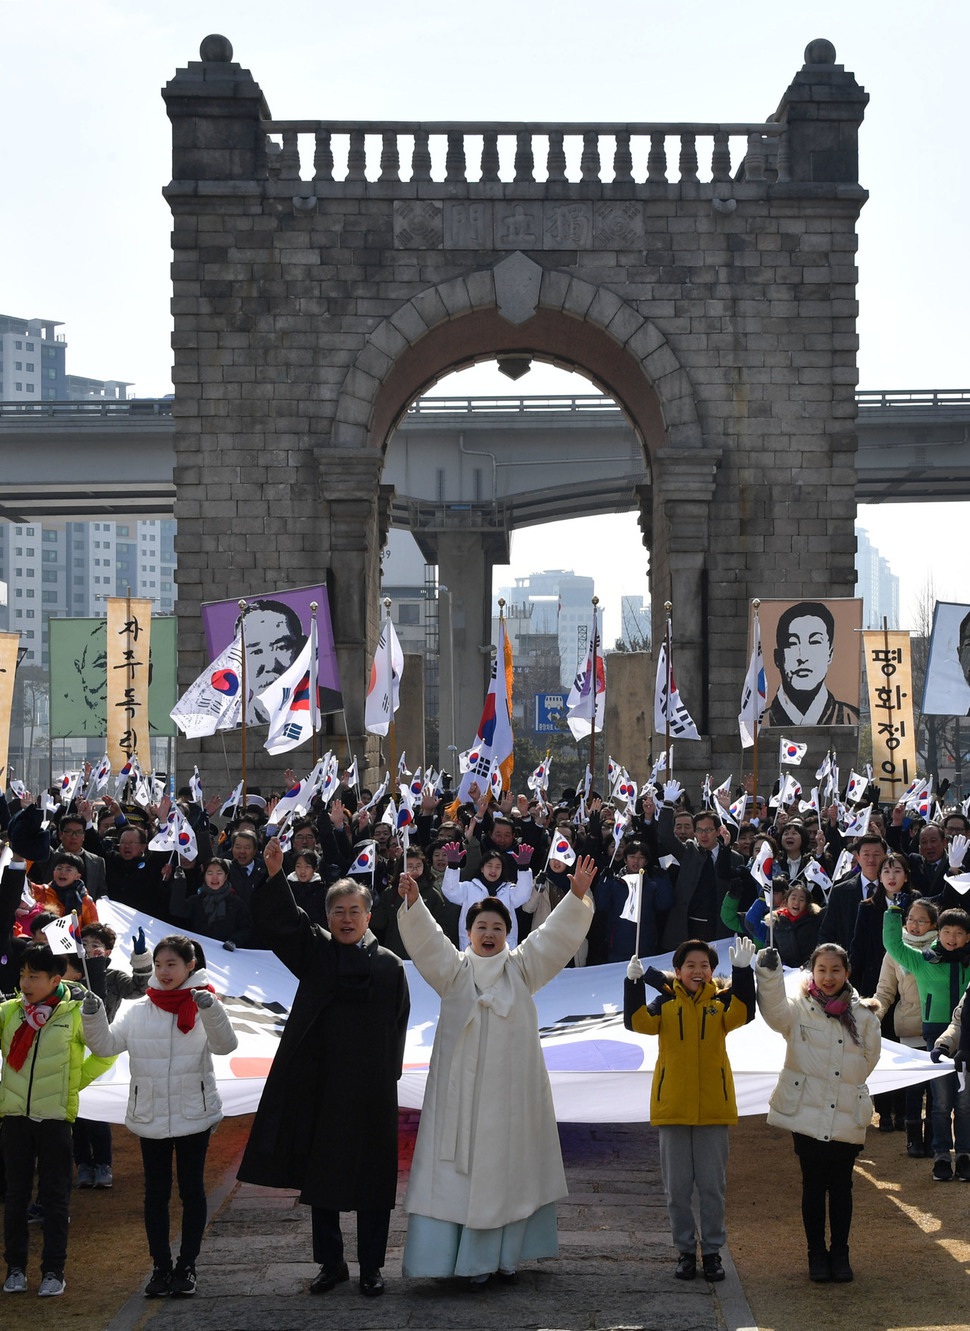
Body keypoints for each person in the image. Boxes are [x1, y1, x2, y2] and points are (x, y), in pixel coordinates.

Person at [395, 854, 596, 1285]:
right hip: (458, 1101)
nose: (489, 934)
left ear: (508, 934)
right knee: (453, 1177)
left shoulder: (521, 968)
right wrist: (413, 901)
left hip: (509, 1101)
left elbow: (551, 939)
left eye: (498, 928)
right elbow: (428, 941)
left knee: (506, 1173)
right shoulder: (453, 970)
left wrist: (575, 896)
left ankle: (501, 1258)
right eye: (482, 927)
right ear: (468, 933)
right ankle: (444, 1260)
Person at [237, 840, 409, 1298]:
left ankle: (372, 1266)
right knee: (325, 1179)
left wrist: (384, 1078)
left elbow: (398, 1026)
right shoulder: (316, 952)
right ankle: (331, 1264)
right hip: (323, 1087)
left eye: (355, 910)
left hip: (372, 1092)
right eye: (339, 912)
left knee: (373, 1182)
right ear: (328, 917)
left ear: (369, 916)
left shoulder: (391, 967)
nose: (348, 918)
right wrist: (275, 876)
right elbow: (284, 923)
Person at [81, 934, 238, 1298]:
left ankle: (187, 1265)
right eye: (159, 965)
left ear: (190, 966)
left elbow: (225, 1046)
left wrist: (211, 1009)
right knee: (155, 1194)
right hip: (150, 1114)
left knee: (192, 1191)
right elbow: (105, 1045)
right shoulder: (139, 1010)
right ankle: (160, 1266)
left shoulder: (203, 1003)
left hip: (193, 1114)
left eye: (172, 964)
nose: (164, 972)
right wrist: (92, 1015)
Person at [624, 935, 756, 1282]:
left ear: (712, 972)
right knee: (677, 1190)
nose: (698, 971)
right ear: (677, 971)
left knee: (713, 1188)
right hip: (673, 1109)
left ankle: (711, 1253)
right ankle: (685, 1252)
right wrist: (633, 983)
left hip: (714, 1108)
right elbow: (637, 1022)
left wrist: (743, 973)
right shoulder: (663, 1004)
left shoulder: (721, 1004)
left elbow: (744, 1013)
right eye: (690, 966)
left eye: (704, 966)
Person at [754, 942, 881, 1283]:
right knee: (813, 1184)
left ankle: (840, 1252)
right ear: (812, 971)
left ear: (847, 973)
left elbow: (868, 1062)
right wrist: (768, 975)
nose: (828, 977)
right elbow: (774, 1013)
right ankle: (816, 1254)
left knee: (841, 1186)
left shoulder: (865, 1015)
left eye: (835, 970)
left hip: (845, 1110)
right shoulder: (798, 1009)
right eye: (822, 970)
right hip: (805, 1109)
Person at [1, 943, 114, 1297]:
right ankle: (15, 1269)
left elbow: (106, 1054)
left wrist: (72, 1081)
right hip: (15, 1118)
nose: (26, 983)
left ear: (55, 978)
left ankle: (53, 1271)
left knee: (55, 1197)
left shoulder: (76, 1012)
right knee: (16, 1197)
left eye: (34, 976)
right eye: (22, 975)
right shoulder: (8, 1012)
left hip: (55, 1120)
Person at [883, 904, 970, 1181]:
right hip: (935, 1038)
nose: (952, 938)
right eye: (946, 931)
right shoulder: (923, 960)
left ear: (968, 937)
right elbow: (893, 945)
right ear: (938, 932)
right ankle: (942, 1155)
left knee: (966, 1103)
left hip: (968, 1038)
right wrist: (893, 913)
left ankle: (965, 1155)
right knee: (942, 1102)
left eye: (959, 933)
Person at [73, 922, 153, 1190]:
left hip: (101, 1050)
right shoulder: (70, 976)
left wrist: (141, 959)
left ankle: (103, 1164)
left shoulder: (113, 977)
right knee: (74, 1112)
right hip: (71, 1047)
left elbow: (140, 989)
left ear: (107, 952)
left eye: (96, 946)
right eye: (85, 945)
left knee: (95, 1110)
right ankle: (83, 1164)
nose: (90, 950)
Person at [765, 600, 860, 727]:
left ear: (830, 654)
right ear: (777, 657)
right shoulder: (758, 724)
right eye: (792, 643)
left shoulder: (851, 718)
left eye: (815, 642)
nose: (803, 657)